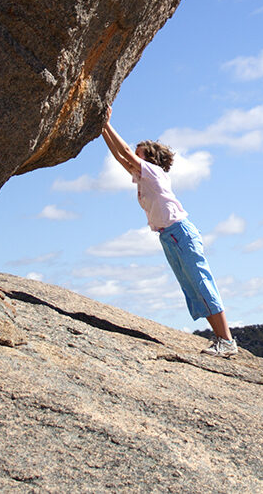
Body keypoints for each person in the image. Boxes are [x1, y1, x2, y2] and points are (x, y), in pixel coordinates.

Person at [101, 106, 237, 357]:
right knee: (193, 289)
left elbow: (126, 154)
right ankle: (221, 339)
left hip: (180, 233)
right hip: (169, 236)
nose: (134, 158)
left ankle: (226, 341)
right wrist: (101, 130)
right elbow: (121, 158)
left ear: (150, 158)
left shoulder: (153, 173)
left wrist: (107, 124)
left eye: (140, 154)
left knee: (201, 283)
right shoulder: (143, 177)